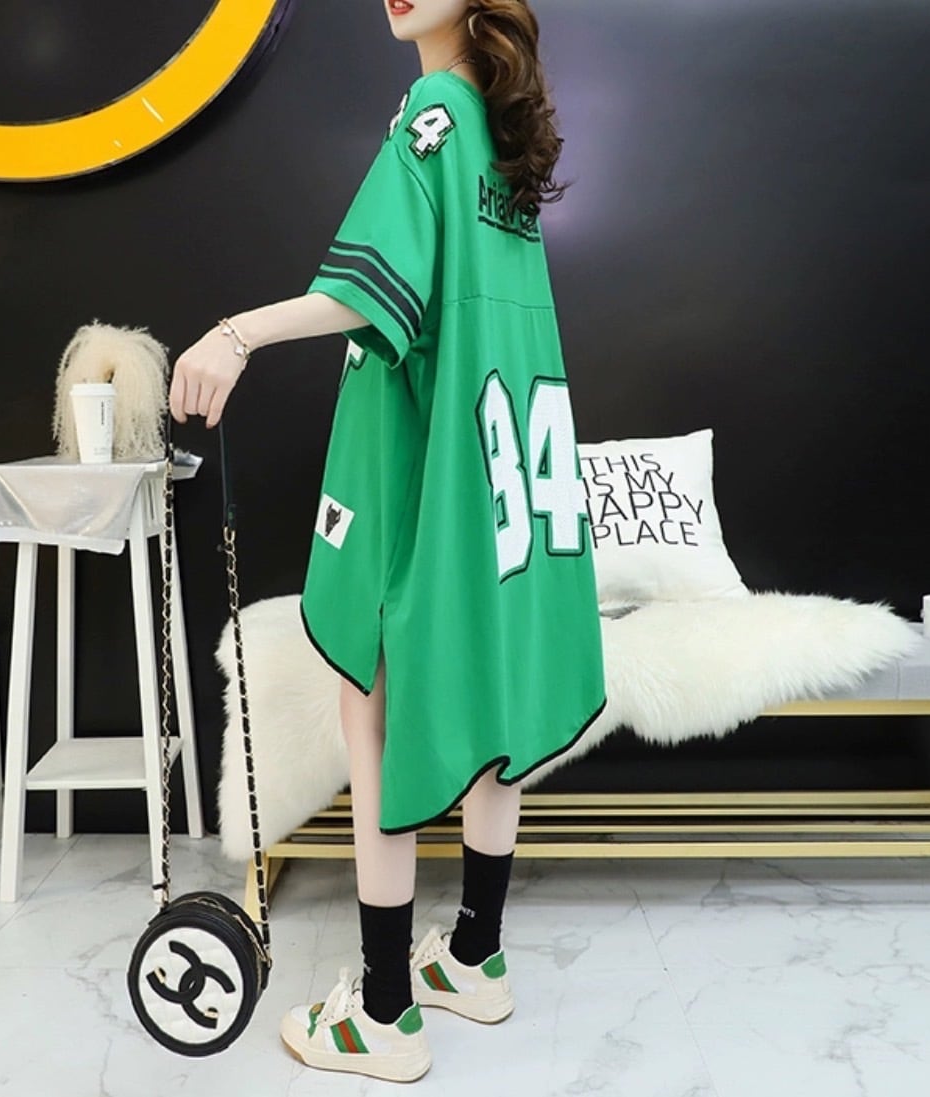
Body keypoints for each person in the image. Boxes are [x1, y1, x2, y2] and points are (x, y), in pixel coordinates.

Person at [170, 0, 606, 1083]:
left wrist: (236, 333)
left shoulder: (433, 116)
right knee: (495, 704)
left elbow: (366, 294)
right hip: (506, 482)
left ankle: (380, 1011)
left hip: (430, 472)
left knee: (371, 703)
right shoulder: (500, 139)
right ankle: (473, 956)